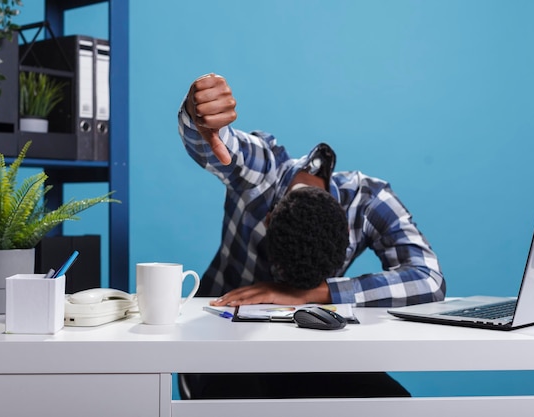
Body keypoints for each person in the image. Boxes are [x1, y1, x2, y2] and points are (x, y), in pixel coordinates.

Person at [177, 73, 446, 399]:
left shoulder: (367, 201)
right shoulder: (264, 173)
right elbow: (221, 146)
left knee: (392, 403)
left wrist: (316, 293)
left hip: (301, 344)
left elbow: (429, 279)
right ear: (269, 216)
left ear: (346, 229)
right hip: (222, 342)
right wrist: (199, 118)